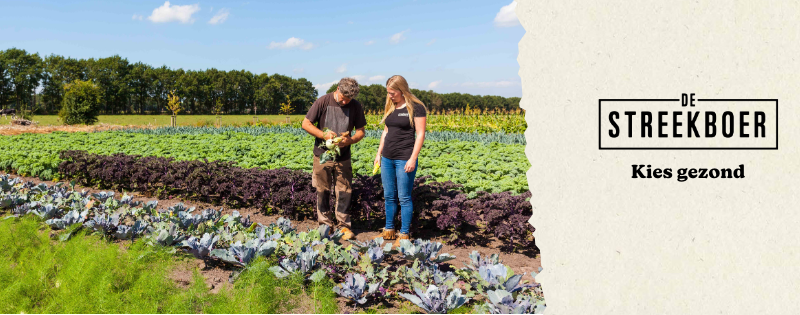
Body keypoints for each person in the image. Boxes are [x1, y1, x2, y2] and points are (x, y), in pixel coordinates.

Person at [301, 77, 367, 241]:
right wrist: (323, 134)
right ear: (337, 89)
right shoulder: (323, 101)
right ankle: (325, 225)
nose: (345, 102)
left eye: (348, 99)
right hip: (322, 156)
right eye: (343, 98)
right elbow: (306, 124)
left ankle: (344, 226)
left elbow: (360, 131)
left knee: (344, 191)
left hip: (343, 157)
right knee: (322, 190)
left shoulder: (356, 106)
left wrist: (350, 140)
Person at [372, 75, 427, 247]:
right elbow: (386, 132)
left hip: (405, 158)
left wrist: (413, 158)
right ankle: (389, 230)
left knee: (403, 197)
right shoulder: (392, 106)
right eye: (388, 93)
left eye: (392, 93)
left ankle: (403, 235)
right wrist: (378, 154)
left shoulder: (416, 108)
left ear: (402, 91)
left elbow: (420, 134)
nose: (389, 96)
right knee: (389, 196)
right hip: (387, 157)